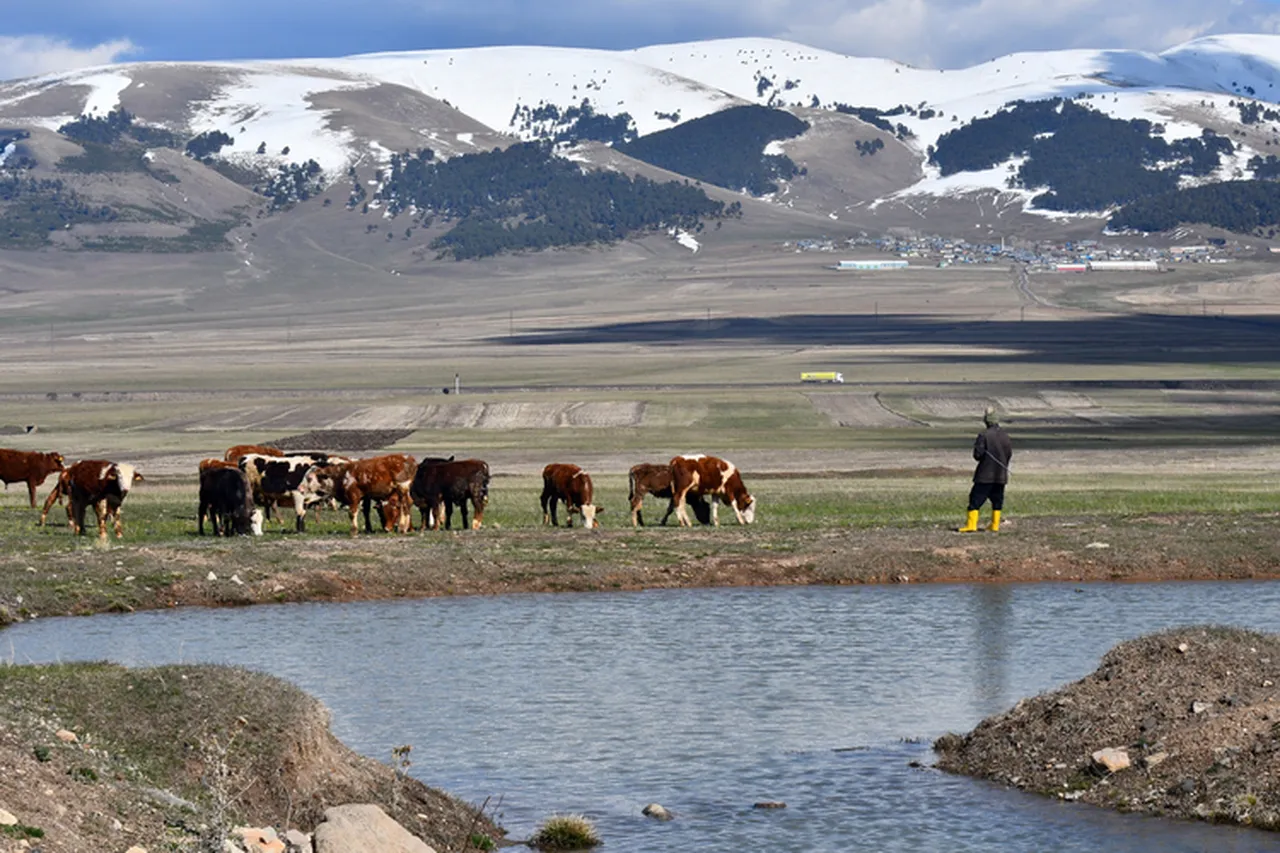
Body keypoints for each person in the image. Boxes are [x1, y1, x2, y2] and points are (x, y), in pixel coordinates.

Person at [958, 406, 1012, 533]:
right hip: (1001, 475)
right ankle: (995, 525)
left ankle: (971, 525)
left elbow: (978, 455)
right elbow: (1009, 454)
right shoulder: (1005, 436)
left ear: (986, 421)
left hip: (985, 475)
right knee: (997, 500)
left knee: (975, 499)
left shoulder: (984, 435)